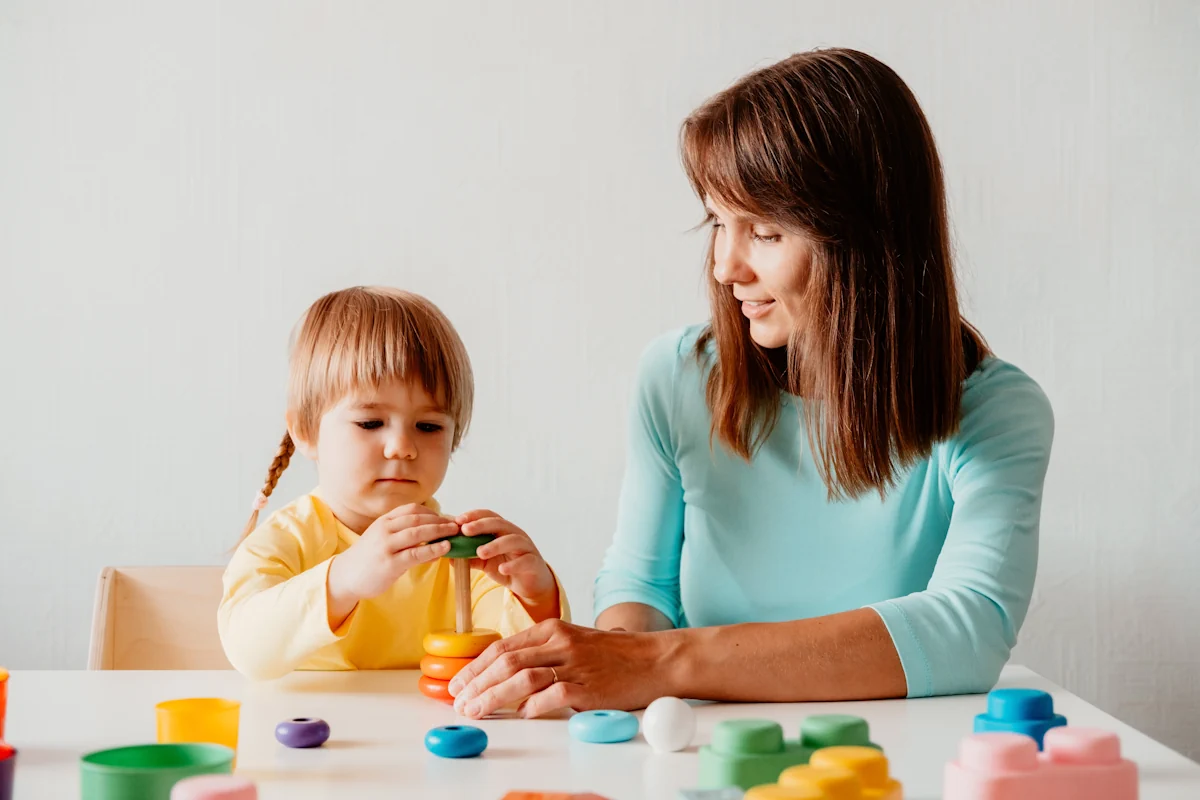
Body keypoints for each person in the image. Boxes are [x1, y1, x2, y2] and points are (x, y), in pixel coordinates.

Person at [449, 48, 1054, 720]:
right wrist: (606, 661)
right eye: (717, 222)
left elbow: (967, 632)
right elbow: (640, 584)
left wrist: (657, 663)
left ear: (866, 242)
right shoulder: (675, 377)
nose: (724, 267)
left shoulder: (998, 412)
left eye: (763, 232)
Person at [219, 286, 569, 680]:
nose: (402, 447)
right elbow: (246, 647)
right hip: (314, 737)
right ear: (305, 431)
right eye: (370, 423)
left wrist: (537, 595)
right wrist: (344, 580)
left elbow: (526, 658)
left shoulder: (459, 555)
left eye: (428, 426)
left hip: (430, 738)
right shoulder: (287, 540)